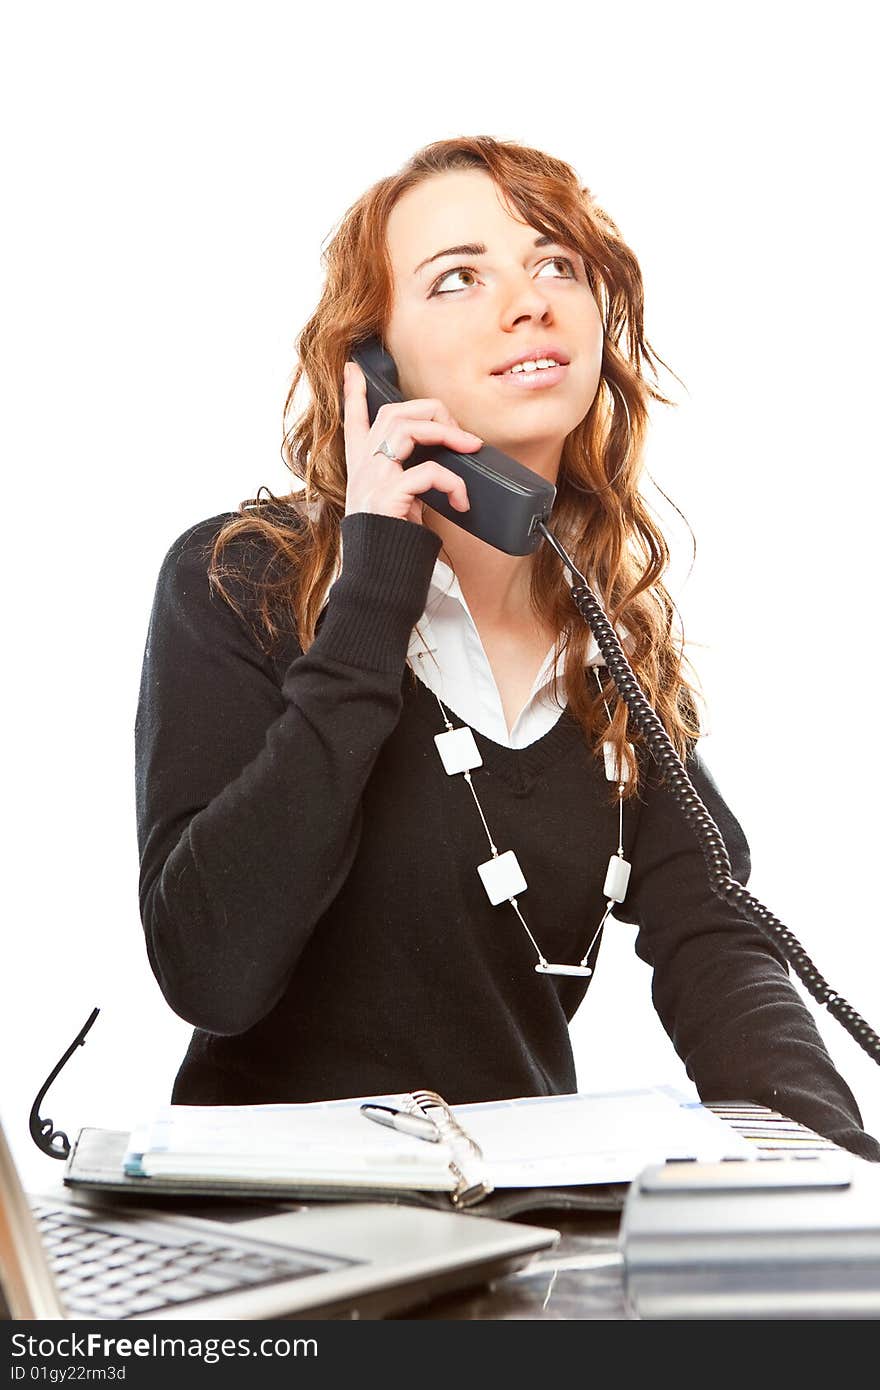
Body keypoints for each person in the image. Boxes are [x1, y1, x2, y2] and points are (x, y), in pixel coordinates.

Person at [135, 134, 879, 1160]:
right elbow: (210, 970)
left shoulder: (604, 646)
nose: (526, 300)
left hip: (510, 1224)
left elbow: (714, 936)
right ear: (374, 366)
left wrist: (840, 1179)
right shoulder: (239, 581)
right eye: (457, 278)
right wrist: (373, 587)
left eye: (554, 265)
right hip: (274, 1224)